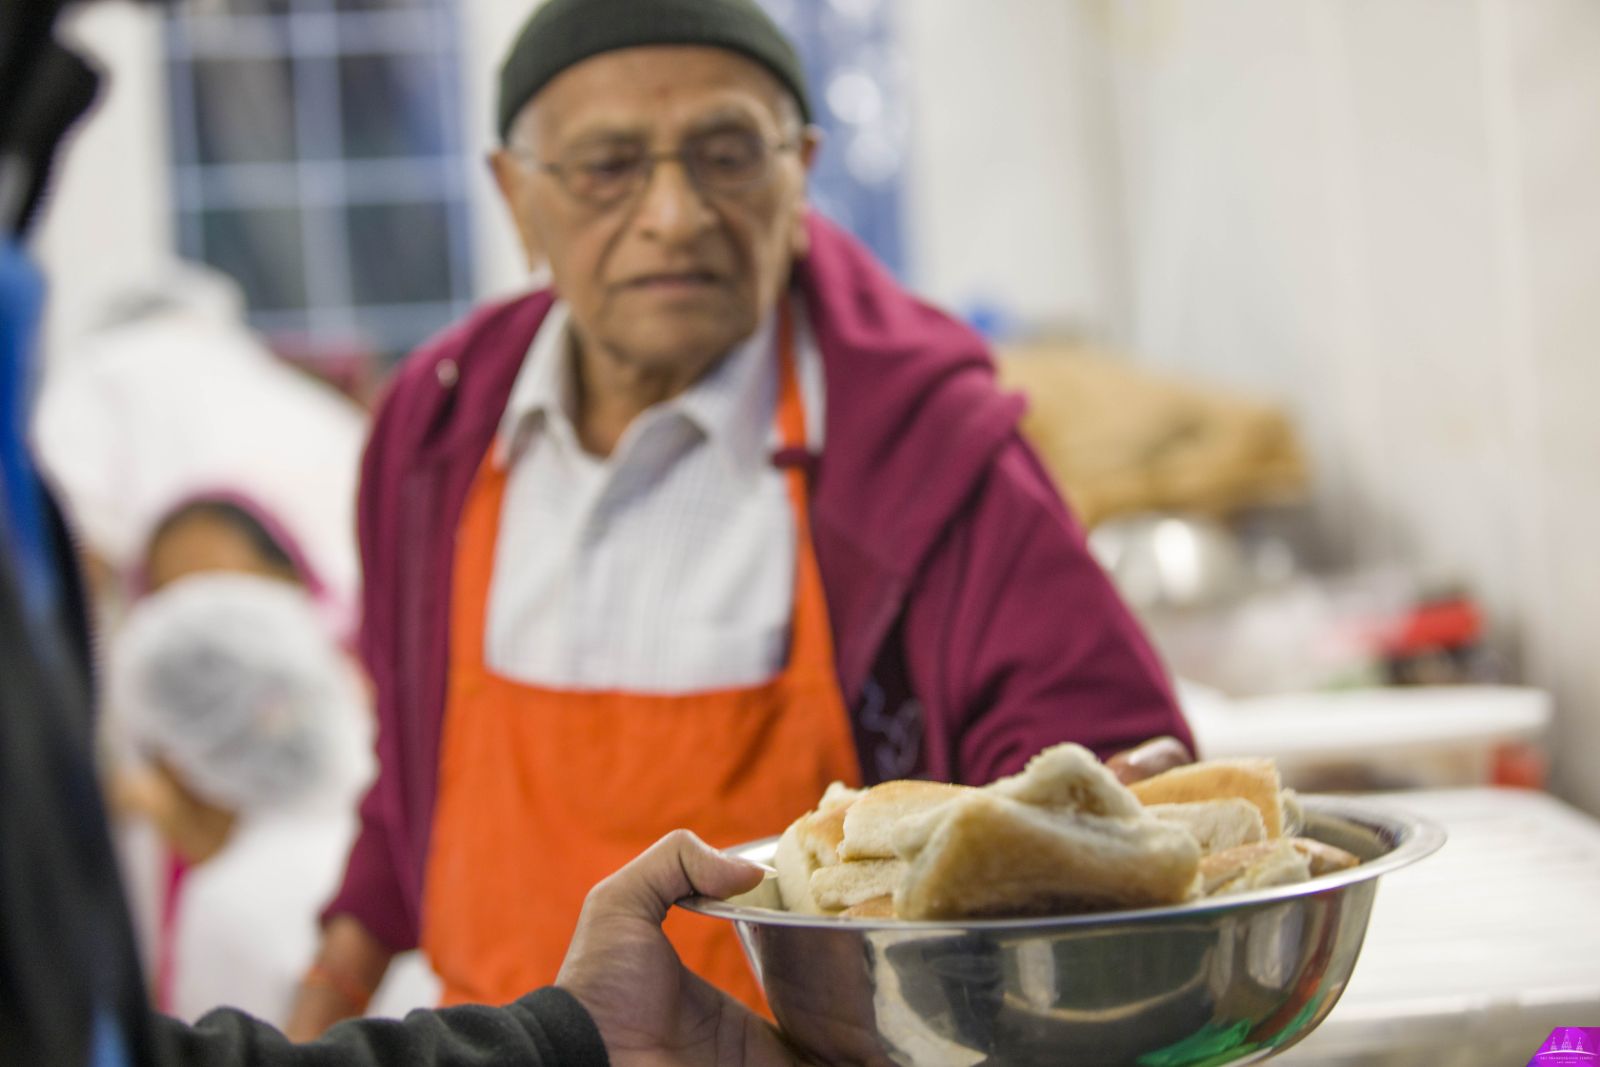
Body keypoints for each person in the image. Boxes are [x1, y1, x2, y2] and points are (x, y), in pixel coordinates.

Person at [292, 0, 1195, 1038]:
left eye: (726, 155)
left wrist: (1109, 816)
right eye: (607, 165)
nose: (673, 213)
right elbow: (413, 777)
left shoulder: (926, 449)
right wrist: (323, 1000)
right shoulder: (437, 431)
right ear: (515, 195)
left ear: (800, 169)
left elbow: (1090, 783)